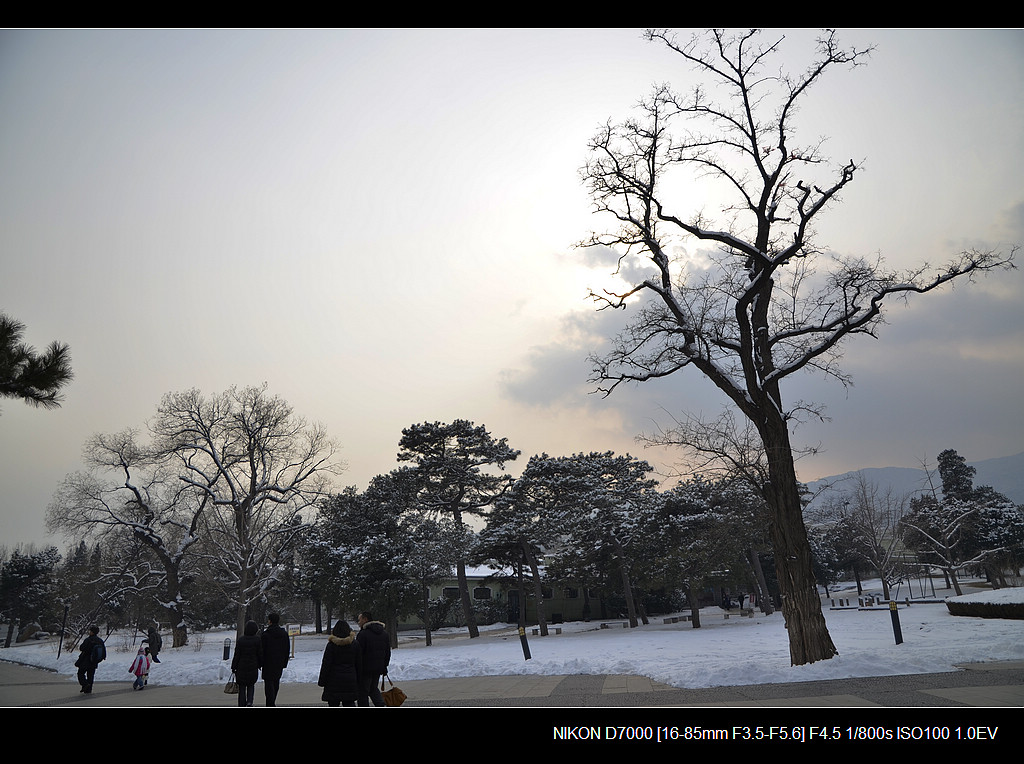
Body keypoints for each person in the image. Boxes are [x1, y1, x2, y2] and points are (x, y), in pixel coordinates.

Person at [318, 620, 362, 707]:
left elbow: (326, 664)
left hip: (333, 680)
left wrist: (322, 681)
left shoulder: (331, 645)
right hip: (350, 679)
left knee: (333, 703)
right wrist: (359, 680)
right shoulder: (355, 644)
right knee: (349, 703)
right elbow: (359, 664)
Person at [356, 611, 391, 707]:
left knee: (362, 692)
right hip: (378, 668)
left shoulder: (363, 634)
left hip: (365, 669)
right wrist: (384, 666)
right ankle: (380, 705)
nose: (358, 622)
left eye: (360, 619)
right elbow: (387, 652)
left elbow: (358, 653)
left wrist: (357, 667)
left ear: (365, 619)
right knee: (373, 688)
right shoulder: (384, 633)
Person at [231, 620, 263, 707]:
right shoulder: (257, 640)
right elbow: (260, 653)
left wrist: (233, 666)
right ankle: (249, 701)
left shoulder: (241, 640)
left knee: (241, 687)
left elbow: (237, 655)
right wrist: (260, 664)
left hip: (241, 667)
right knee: (251, 685)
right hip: (253, 666)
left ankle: (241, 703)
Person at [260, 612, 290, 707]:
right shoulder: (284, 634)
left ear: (270, 621)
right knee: (276, 682)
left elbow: (262, 650)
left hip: (268, 663)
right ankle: (272, 701)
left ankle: (270, 703)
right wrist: (284, 662)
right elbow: (287, 649)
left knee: (268, 683)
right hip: (279, 662)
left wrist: (261, 662)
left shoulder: (265, 635)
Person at [76, 625, 105, 694]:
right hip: (94, 661)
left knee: (80, 673)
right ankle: (89, 689)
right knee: (91, 675)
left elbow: (82, 648)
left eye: (90, 631)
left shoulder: (88, 640)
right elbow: (103, 652)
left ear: (92, 632)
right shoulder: (100, 641)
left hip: (85, 660)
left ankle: (85, 684)